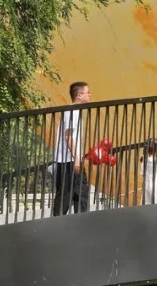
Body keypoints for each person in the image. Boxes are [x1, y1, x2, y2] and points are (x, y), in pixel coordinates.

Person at [52, 81, 91, 216]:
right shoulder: (71, 112)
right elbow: (68, 136)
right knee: (65, 194)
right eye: (87, 92)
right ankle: (58, 222)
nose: (90, 95)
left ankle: (81, 221)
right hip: (68, 161)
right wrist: (76, 159)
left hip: (73, 159)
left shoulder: (75, 111)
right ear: (79, 95)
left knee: (81, 193)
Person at [141, 139, 157, 205]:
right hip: (156, 188)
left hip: (147, 188)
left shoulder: (144, 161)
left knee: (148, 206)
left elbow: (144, 177)